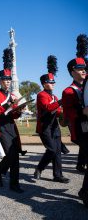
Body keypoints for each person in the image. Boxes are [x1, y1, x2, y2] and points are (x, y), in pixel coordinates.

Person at [62, 34, 88, 208]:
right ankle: (85, 193)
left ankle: (84, 192)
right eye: (80, 68)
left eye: (85, 67)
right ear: (72, 71)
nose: (84, 70)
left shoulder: (86, 86)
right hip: (81, 130)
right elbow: (69, 114)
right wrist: (82, 111)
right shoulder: (68, 91)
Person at [34, 55, 69, 183]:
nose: (53, 84)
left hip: (55, 126)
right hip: (45, 127)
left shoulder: (54, 96)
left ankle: (57, 175)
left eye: (54, 82)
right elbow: (48, 108)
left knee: (58, 151)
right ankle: (39, 168)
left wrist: (64, 113)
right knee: (52, 150)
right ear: (44, 84)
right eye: (50, 82)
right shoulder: (41, 95)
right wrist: (61, 101)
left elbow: (57, 110)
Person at [0, 68, 26, 193]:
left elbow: (13, 115)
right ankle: (11, 182)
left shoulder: (13, 96)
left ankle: (0, 173)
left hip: (11, 126)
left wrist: (19, 110)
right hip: (2, 127)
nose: (7, 82)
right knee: (12, 156)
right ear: (0, 81)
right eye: (5, 79)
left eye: (9, 79)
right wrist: (9, 104)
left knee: (14, 155)